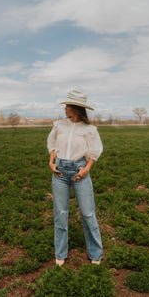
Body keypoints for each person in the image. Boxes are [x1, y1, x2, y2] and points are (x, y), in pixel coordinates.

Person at [47, 90, 103, 266]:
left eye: (68, 105)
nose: (65, 108)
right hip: (60, 172)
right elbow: (52, 144)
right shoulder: (59, 125)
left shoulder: (89, 129)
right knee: (61, 214)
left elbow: (94, 152)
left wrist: (86, 169)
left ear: (77, 109)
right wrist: (51, 162)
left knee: (88, 214)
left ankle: (95, 253)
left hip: (80, 172)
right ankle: (60, 253)